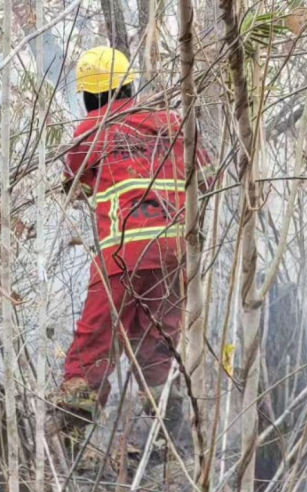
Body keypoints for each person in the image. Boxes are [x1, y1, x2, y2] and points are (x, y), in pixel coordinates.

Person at [54, 47, 214, 434]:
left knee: (93, 343)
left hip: (122, 254)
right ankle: (170, 441)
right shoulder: (172, 123)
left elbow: (77, 179)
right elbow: (209, 177)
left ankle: (76, 443)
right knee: (159, 345)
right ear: (130, 84)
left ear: (87, 96)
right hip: (174, 252)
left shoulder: (90, 129)